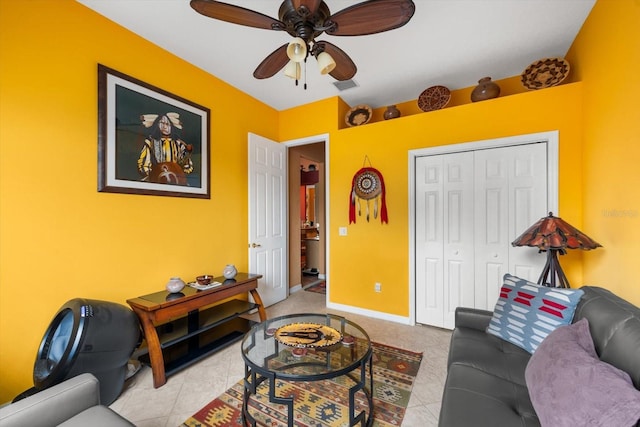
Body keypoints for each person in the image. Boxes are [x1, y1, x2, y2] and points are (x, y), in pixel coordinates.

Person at [137, 112, 193, 185]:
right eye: (162, 123)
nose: (164, 127)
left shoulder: (178, 144)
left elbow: (185, 165)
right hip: (156, 179)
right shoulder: (150, 142)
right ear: (157, 124)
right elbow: (144, 164)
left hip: (176, 180)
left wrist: (187, 153)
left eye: (167, 124)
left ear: (172, 127)